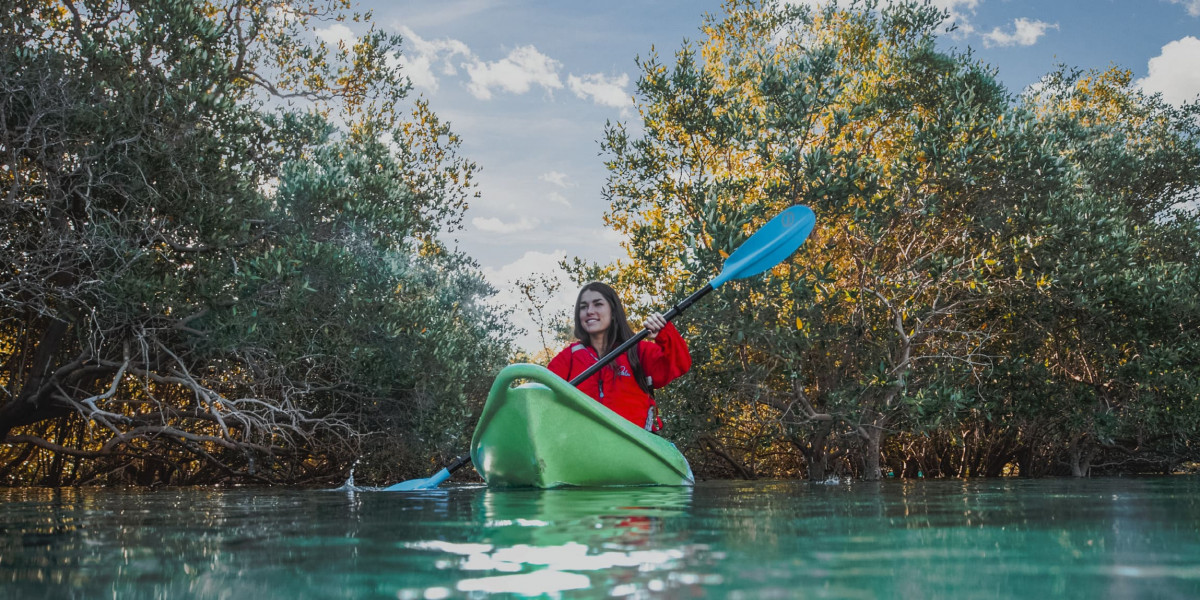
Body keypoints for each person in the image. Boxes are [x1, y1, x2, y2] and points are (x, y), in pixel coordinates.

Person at [547, 281, 691, 432]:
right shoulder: (569, 356)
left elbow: (680, 363)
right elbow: (542, 391)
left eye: (598, 304)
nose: (589, 311)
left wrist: (664, 332)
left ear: (613, 312)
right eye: (583, 307)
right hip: (582, 444)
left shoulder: (637, 350)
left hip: (631, 445)